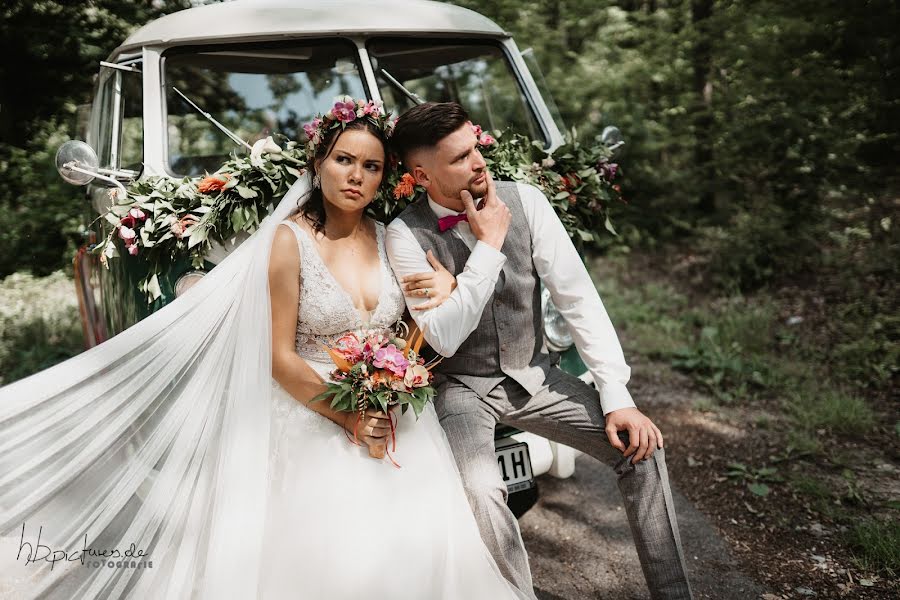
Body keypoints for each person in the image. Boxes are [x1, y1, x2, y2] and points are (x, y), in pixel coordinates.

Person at [0, 100, 527, 599]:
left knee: (428, 551)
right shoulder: (289, 241)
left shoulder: (390, 234)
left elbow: (415, 325)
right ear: (318, 163)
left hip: (395, 417)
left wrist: (447, 290)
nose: (355, 176)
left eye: (370, 166)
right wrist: (349, 419)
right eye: (343, 160)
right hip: (315, 409)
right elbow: (278, 358)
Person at [386, 101, 695, 600]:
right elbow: (441, 338)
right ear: (422, 174)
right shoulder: (403, 234)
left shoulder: (525, 201)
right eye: (461, 157)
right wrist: (486, 249)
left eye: (476, 147)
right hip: (462, 389)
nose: (479, 162)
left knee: (641, 449)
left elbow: (577, 298)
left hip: (535, 376)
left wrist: (618, 395)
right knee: (480, 491)